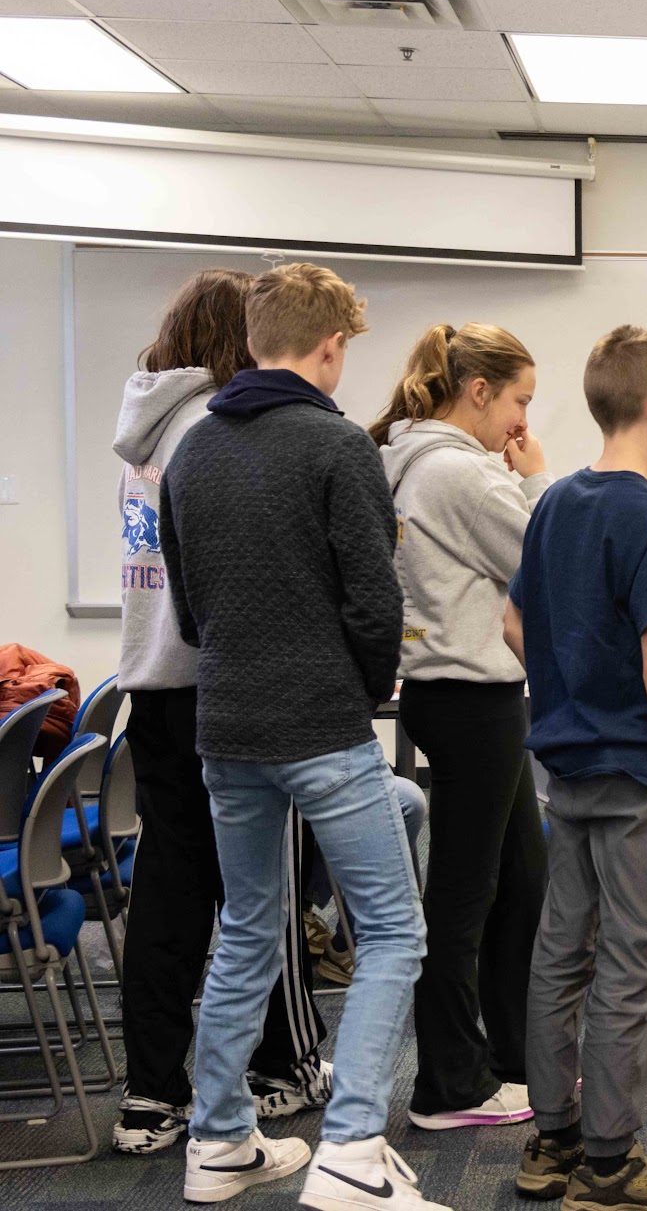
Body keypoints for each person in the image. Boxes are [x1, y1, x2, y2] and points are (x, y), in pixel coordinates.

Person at [161, 262, 443, 1210]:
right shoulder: (334, 445)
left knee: (244, 928)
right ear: (331, 347)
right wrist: (364, 689)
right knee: (397, 931)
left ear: (250, 343)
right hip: (320, 722)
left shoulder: (193, 450)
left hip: (226, 724)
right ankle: (353, 1150)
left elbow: (192, 610)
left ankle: (220, 1142)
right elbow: (374, 599)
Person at [112, 269, 333, 1153]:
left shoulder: (142, 430)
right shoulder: (217, 429)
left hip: (151, 687)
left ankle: (150, 1097)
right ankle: (282, 1067)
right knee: (258, 893)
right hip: (225, 687)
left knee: (166, 898)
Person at [507, 325, 647, 1210]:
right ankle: (609, 1165)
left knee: (562, 952)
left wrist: (568, 693)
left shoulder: (554, 502)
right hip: (637, 777)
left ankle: (552, 1142)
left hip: (565, 765)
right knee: (632, 965)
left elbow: (516, 626)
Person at [373, 323, 549, 1132]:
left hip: (458, 693)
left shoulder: (412, 458)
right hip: (472, 696)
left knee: (520, 877)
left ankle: (510, 1057)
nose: (520, 422)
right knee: (464, 893)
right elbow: (548, 568)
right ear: (477, 391)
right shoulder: (462, 475)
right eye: (517, 401)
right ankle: (449, 1085)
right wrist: (536, 480)